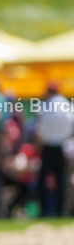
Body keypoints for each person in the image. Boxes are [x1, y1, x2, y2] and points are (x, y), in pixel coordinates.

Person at [34, 81, 73, 217]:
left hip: (48, 146)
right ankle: (60, 209)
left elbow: (39, 128)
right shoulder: (66, 105)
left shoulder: (46, 105)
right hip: (62, 146)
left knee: (43, 179)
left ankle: (44, 209)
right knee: (61, 179)